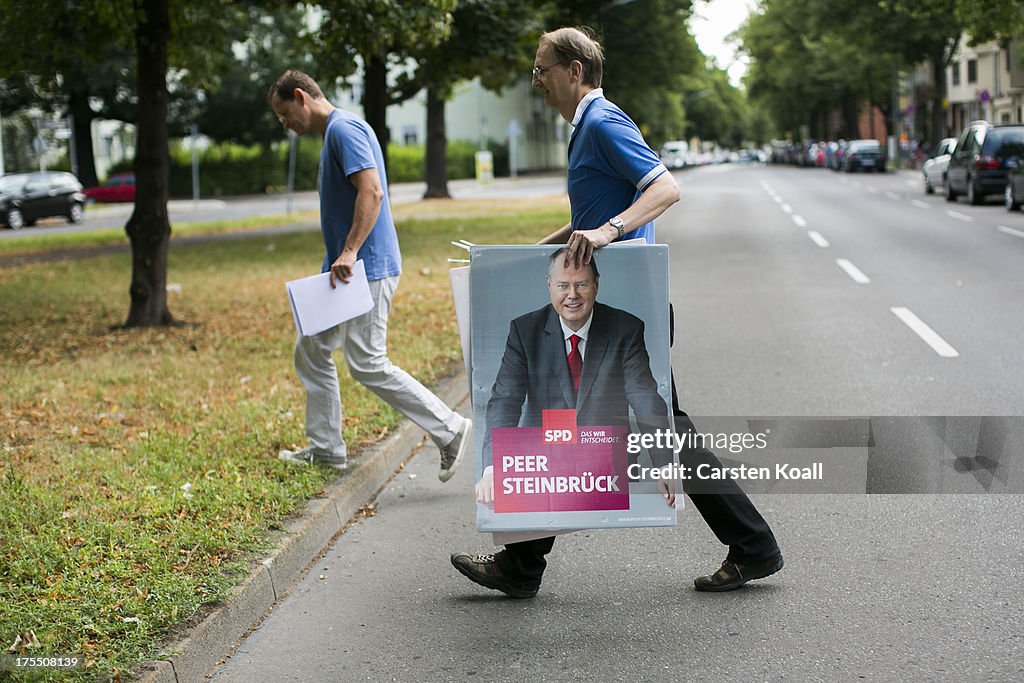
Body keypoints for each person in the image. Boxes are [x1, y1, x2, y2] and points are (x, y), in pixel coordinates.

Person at [451, 27, 783, 596]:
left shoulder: (603, 123)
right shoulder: (585, 131)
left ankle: (754, 546)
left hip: (627, 311)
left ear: (575, 71)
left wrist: (609, 231)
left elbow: (664, 187)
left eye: (542, 70)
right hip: (620, 307)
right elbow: (593, 216)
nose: (538, 83)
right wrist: (529, 255)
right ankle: (524, 562)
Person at [268, 70, 471, 482]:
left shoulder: (345, 130)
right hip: (347, 269)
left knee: (367, 361)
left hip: (367, 267)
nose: (284, 123)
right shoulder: (334, 134)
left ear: (301, 97)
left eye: (283, 113)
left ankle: (450, 428)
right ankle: (326, 448)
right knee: (311, 346)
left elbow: (372, 191)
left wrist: (349, 251)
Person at [472, 250, 675, 517]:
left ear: (596, 284)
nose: (572, 295)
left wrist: (664, 464)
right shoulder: (525, 331)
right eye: (563, 285)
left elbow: (644, 397)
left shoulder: (625, 329)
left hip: (606, 459)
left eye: (581, 284)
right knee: (534, 493)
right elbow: (505, 400)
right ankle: (515, 559)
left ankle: (516, 560)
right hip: (546, 456)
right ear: (549, 286)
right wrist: (494, 469)